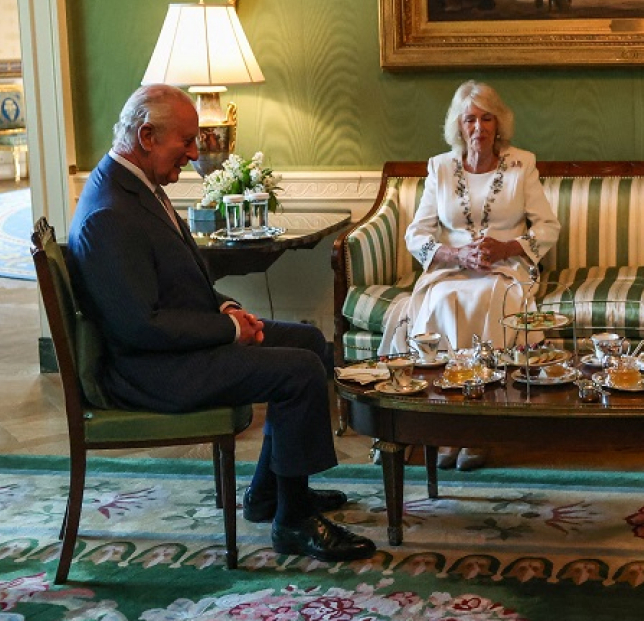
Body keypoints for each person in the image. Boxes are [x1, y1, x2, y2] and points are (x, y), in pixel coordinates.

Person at [67, 85, 374, 563]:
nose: (194, 153)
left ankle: (269, 493)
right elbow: (141, 326)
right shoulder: (109, 211)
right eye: (186, 141)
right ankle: (294, 521)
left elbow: (179, 280)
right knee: (298, 372)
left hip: (173, 350)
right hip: (149, 371)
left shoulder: (137, 187)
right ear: (146, 136)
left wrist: (226, 308)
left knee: (310, 342)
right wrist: (231, 332)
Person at [389, 80, 560, 471]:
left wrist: (507, 247)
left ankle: (481, 428)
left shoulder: (522, 164)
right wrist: (454, 254)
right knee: (442, 299)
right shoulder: (440, 167)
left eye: (487, 119)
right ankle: (447, 425)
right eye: (470, 120)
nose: (478, 128)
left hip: (506, 267)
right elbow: (417, 234)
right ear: (459, 126)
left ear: (499, 124)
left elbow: (548, 227)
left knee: (489, 298)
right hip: (451, 269)